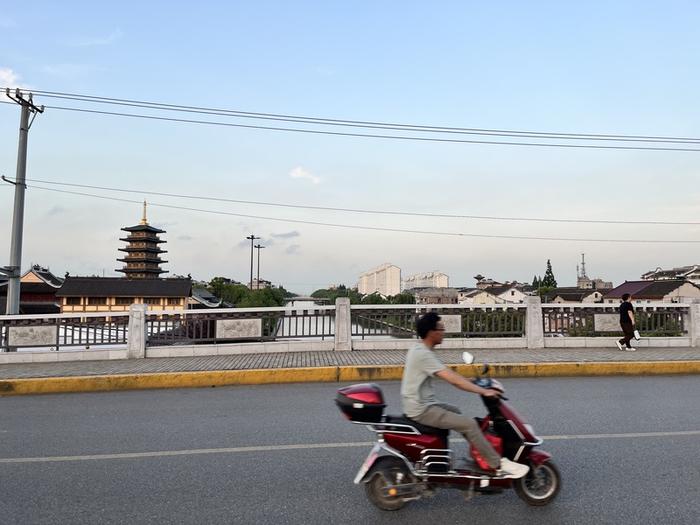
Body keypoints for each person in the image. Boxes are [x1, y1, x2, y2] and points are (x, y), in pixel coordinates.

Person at [400, 312, 529, 479]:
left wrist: (474, 381)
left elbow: (449, 375)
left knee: (456, 411)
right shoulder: (423, 354)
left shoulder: (419, 348)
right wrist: (484, 391)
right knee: (469, 424)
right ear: (431, 332)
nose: (443, 332)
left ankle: (451, 457)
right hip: (421, 409)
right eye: (441, 328)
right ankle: (498, 464)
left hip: (419, 404)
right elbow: (453, 380)